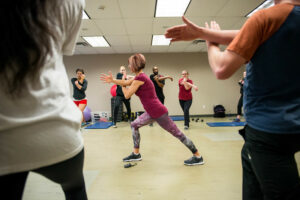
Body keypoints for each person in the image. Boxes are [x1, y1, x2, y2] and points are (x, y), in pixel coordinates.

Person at [165, 0, 300, 199]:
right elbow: (253, 36)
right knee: (249, 160)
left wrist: (210, 43)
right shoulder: (278, 21)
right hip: (292, 124)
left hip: (268, 131)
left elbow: (221, 68)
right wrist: (205, 33)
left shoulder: (265, 18)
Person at [0, 0, 88, 199]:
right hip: (57, 128)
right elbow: (60, 50)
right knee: (76, 189)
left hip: (5, 136)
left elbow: (82, 88)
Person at [100, 54, 204, 166]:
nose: (129, 66)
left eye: (130, 64)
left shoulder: (140, 78)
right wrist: (113, 80)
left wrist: (120, 84)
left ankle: (198, 156)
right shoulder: (140, 77)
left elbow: (127, 95)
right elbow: (126, 82)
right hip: (151, 112)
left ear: (135, 65)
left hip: (158, 112)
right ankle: (136, 154)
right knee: (134, 125)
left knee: (178, 134)